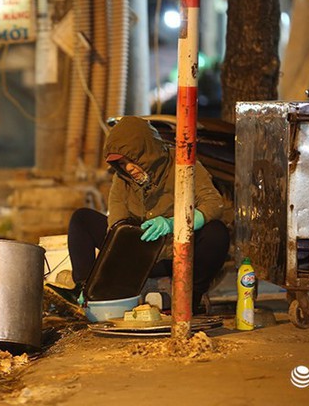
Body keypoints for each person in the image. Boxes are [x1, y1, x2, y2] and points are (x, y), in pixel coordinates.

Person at [45, 116, 231, 314]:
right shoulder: (122, 179)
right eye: (122, 164)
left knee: (217, 233)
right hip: (139, 256)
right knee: (82, 218)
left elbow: (213, 203)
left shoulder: (182, 164)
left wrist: (173, 224)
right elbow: (116, 223)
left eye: (130, 161)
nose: (128, 168)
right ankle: (86, 291)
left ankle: (191, 298)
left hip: (175, 255)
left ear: (146, 152)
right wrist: (106, 267)